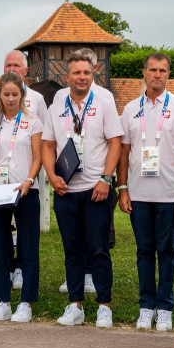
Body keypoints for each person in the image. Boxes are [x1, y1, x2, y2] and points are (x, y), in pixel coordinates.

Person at [42, 50, 123, 328]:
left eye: (87, 73)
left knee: (99, 248)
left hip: (95, 189)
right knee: (72, 249)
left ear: (93, 75)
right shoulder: (56, 106)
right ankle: (75, 304)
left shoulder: (104, 102)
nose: (82, 77)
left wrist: (105, 178)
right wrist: (52, 175)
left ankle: (104, 305)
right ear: (67, 77)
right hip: (65, 191)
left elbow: (115, 142)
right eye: (76, 73)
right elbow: (47, 145)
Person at [116, 53, 174, 331]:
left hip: (168, 194)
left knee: (166, 250)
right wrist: (123, 188)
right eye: (153, 70)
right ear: (144, 73)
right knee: (143, 251)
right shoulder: (130, 109)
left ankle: (165, 306)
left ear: (168, 74)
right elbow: (123, 153)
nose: (157, 75)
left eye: (163, 71)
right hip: (138, 194)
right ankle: (146, 305)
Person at [0, 50, 48, 291]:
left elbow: (38, 157)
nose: (10, 99)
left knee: (28, 249)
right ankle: (2, 301)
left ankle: (27, 301)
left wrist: (29, 180)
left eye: (15, 94)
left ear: (22, 96)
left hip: (26, 191)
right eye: (6, 94)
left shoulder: (34, 122)